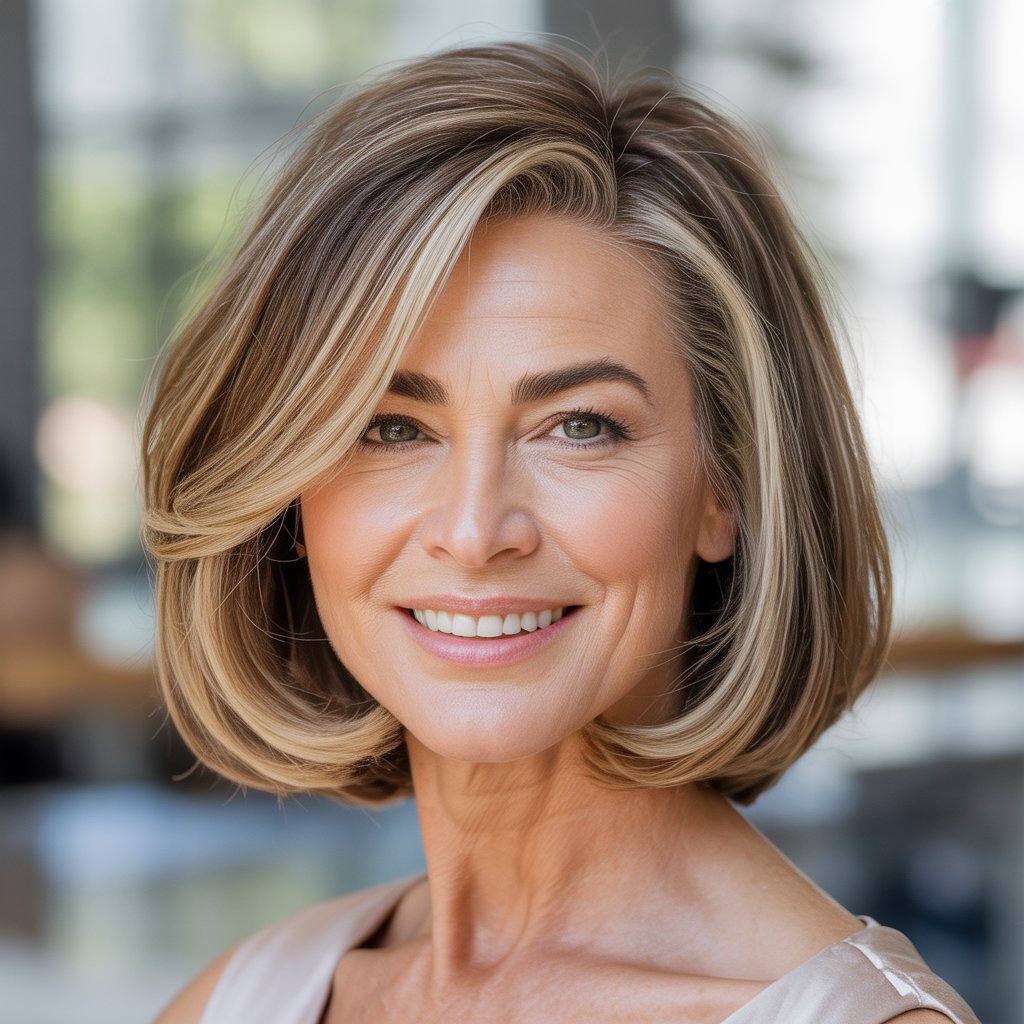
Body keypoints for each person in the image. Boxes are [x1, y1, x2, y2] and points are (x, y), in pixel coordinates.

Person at [143, 42, 979, 1024]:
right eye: (390, 426)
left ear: (727, 488)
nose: (472, 528)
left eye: (578, 426)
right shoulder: (239, 999)